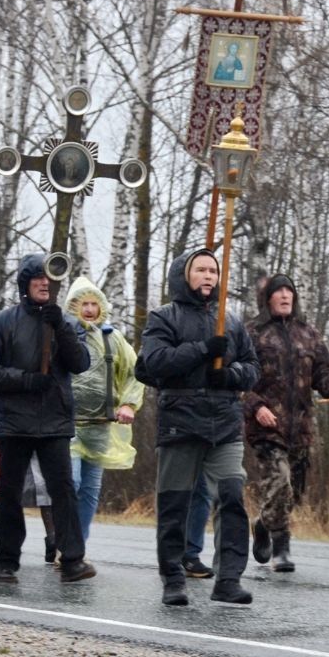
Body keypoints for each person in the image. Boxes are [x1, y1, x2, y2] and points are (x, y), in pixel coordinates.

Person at [136, 248, 262, 606]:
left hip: (224, 421)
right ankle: (173, 576)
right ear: (184, 275)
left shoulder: (232, 321)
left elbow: (253, 368)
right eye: (201, 270)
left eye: (213, 270)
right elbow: (155, 363)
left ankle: (229, 579)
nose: (208, 276)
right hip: (180, 419)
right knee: (175, 503)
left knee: (232, 497)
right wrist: (203, 350)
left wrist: (230, 374)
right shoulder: (164, 317)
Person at [0, 254, 96, 583]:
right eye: (37, 278)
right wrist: (25, 380)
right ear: (25, 284)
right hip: (14, 421)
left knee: (63, 490)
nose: (44, 283)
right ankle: (7, 560)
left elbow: (81, 363)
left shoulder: (66, 323)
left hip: (54, 419)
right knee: (10, 493)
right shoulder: (2, 322)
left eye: (50, 279)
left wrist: (60, 328)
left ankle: (71, 559)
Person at [243, 273, 329, 571]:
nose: (285, 296)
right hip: (267, 427)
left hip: (301, 427)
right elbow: (238, 379)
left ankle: (262, 525)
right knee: (280, 483)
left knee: (293, 492)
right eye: (278, 291)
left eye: (289, 291)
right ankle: (280, 550)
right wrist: (256, 406)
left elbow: (323, 374)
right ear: (267, 298)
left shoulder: (308, 333)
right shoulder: (252, 333)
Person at [65, 277, 143, 549]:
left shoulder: (113, 338)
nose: (88, 309)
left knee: (89, 490)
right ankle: (64, 539)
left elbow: (136, 372)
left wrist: (128, 404)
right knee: (70, 483)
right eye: (83, 304)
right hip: (68, 425)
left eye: (93, 304)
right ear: (73, 306)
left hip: (100, 425)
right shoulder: (63, 335)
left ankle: (77, 547)